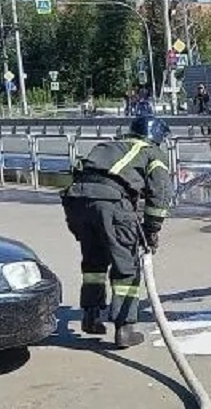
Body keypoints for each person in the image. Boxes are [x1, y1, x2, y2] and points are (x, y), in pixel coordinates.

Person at [61, 114, 173, 348]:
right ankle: (125, 329)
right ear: (156, 137)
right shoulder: (152, 152)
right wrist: (151, 230)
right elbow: (160, 192)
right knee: (126, 266)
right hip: (110, 204)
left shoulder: (109, 144)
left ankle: (91, 316)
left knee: (94, 261)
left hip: (76, 202)